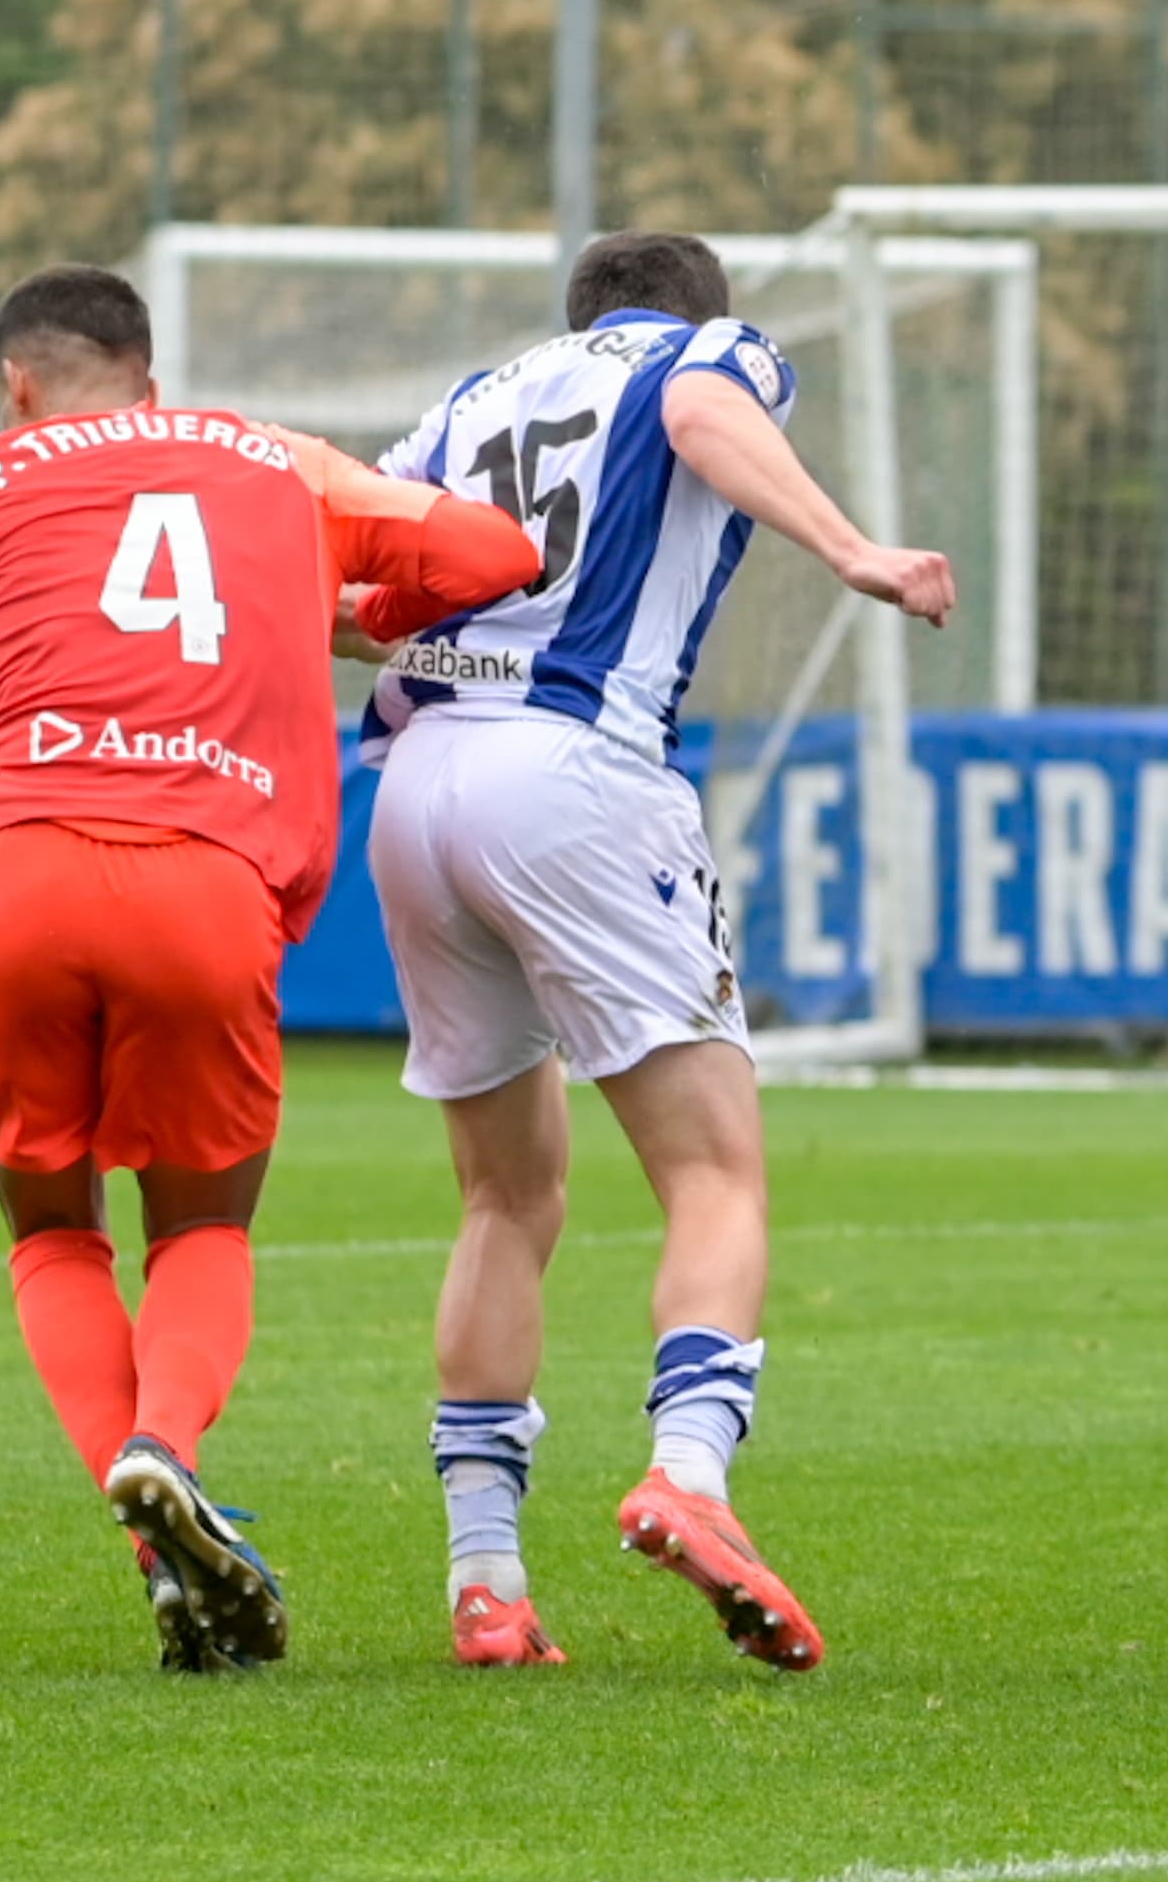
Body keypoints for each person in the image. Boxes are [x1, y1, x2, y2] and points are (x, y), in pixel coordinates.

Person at [0, 265, 542, 1671]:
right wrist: (338, 603)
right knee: (201, 1227)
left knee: (52, 1231)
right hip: (202, 880)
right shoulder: (277, 460)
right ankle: (164, 1444)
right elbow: (496, 556)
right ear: (151, 370)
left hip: (17, 867)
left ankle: (155, 1531)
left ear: (18, 382)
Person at [355, 229, 954, 1673]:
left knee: (506, 1194)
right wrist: (855, 549)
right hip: (577, 772)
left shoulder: (460, 406)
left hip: (416, 783)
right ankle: (690, 1472)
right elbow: (697, 410)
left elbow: (352, 582)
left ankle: (485, 1582)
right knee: (712, 1168)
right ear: (697, 309)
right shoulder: (702, 354)